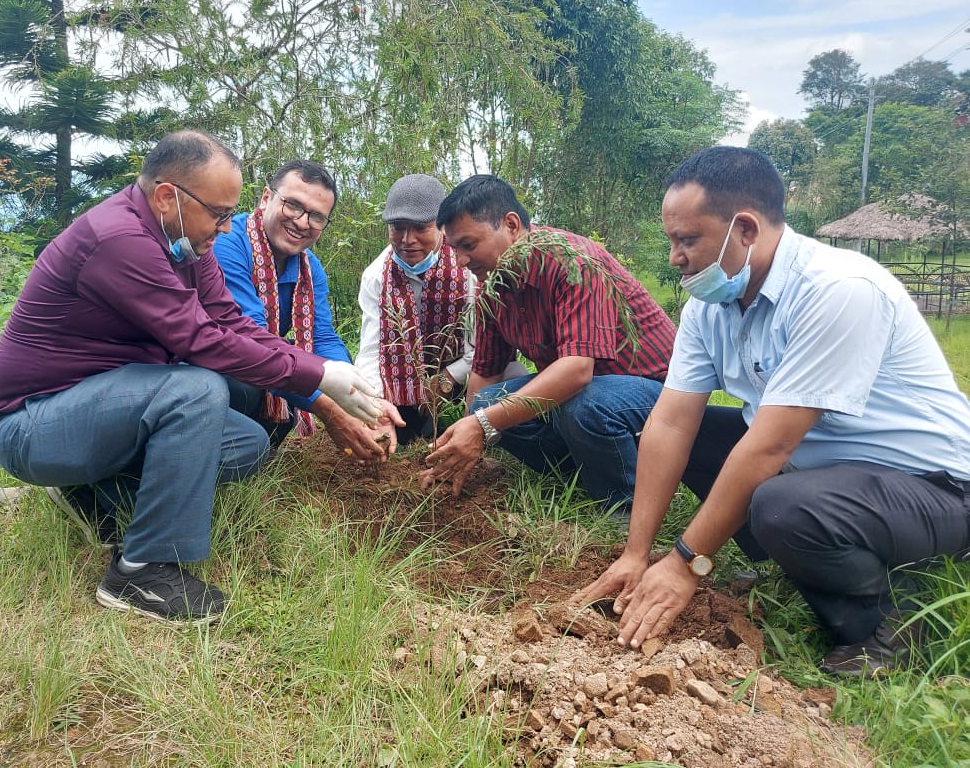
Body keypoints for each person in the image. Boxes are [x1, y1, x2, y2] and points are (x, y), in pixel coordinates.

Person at [578, 146, 970, 677]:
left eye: (687, 240)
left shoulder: (837, 290)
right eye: (673, 240)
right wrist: (637, 553)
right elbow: (671, 423)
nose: (674, 257)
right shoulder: (707, 308)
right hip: (833, 476)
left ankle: (893, 629)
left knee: (781, 505)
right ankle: (808, 558)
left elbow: (771, 446)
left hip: (934, 487)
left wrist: (686, 563)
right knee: (706, 445)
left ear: (745, 228)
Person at [0, 130, 383, 623]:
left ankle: (91, 493)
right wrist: (316, 376)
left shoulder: (187, 244)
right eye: (219, 213)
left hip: (98, 407)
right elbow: (203, 342)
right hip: (31, 423)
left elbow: (231, 322)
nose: (228, 227)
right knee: (197, 390)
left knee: (246, 444)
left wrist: (328, 373)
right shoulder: (120, 239)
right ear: (169, 196)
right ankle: (141, 572)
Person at [420, 175, 676, 507]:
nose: (461, 261)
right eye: (454, 250)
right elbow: (485, 372)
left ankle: (624, 505)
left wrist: (483, 425)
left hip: (656, 392)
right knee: (487, 402)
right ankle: (580, 478)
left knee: (585, 405)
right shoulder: (494, 286)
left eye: (469, 245)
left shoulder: (574, 262)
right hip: (584, 395)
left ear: (511, 225)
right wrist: (469, 432)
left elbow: (576, 372)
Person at [214, 159, 402, 461]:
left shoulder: (309, 268)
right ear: (266, 197)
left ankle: (250, 457)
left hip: (260, 363)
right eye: (293, 205)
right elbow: (250, 342)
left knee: (283, 403)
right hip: (210, 369)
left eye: (316, 216)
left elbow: (323, 338)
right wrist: (329, 408)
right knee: (246, 387)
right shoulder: (228, 246)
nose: (302, 222)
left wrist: (365, 401)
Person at [354, 174, 526, 444]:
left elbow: (481, 348)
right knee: (403, 433)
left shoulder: (469, 266)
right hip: (405, 379)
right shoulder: (377, 276)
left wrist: (445, 379)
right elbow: (371, 351)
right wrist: (374, 404)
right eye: (397, 228)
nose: (407, 240)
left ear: (441, 227)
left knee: (514, 377)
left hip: (466, 371)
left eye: (420, 228)